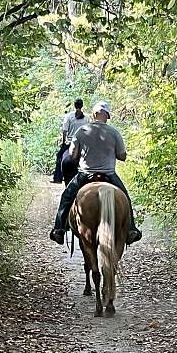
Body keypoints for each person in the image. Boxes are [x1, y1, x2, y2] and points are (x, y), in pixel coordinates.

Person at [49, 100, 142, 245]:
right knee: (125, 198)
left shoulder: (82, 131)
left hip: (85, 174)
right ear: (107, 116)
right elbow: (122, 156)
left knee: (66, 197)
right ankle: (131, 230)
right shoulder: (114, 133)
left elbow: (73, 154)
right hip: (109, 175)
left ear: (93, 115)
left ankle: (59, 229)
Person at [51, 98, 88, 183]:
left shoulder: (69, 116)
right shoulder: (87, 117)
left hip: (71, 142)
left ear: (74, 106)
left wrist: (64, 142)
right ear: (82, 106)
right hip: (83, 143)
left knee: (59, 156)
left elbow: (64, 131)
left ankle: (58, 178)